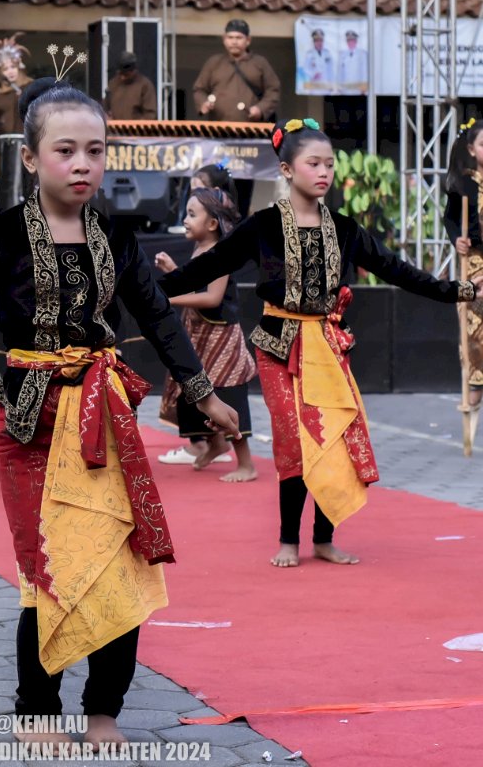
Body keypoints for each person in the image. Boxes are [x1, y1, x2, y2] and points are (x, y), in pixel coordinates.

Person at [0, 76, 239, 749]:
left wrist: (203, 392)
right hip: (30, 424)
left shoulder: (117, 238)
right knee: (50, 568)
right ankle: (37, 709)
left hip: (104, 417)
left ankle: (103, 710)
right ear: (31, 159)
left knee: (119, 563)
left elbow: (158, 318)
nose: (84, 164)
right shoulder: (4, 235)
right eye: (66, 150)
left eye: (96, 150)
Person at [160, 118, 482, 568]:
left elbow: (397, 270)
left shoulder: (346, 229)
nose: (324, 172)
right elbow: (211, 263)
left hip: (328, 346)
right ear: (288, 170)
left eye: (329, 163)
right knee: (293, 441)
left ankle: (324, 538)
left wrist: (459, 290)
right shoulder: (264, 226)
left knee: (331, 438)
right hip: (278, 346)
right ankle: (289, 540)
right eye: (314, 163)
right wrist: (155, 287)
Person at [154, 188, 258, 482]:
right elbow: (196, 285)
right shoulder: (201, 250)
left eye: (191, 214)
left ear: (212, 224)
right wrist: (175, 271)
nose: (185, 220)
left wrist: (170, 298)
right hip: (200, 335)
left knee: (226, 396)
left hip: (221, 339)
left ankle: (246, 464)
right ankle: (215, 444)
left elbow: (212, 298)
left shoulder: (220, 254)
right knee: (195, 390)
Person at [444, 119, 483, 412]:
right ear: (472, 149)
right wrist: (457, 238)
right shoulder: (464, 184)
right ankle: (475, 383)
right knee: (471, 324)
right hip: (474, 260)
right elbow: (451, 219)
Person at [193, 19, 280, 124]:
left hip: (252, 128)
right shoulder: (214, 63)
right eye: (230, 37)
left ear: (248, 40)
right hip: (219, 127)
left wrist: (260, 109)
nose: (234, 42)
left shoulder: (260, 63)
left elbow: (273, 90)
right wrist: (204, 103)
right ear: (224, 39)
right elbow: (199, 89)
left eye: (239, 38)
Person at [0, 36, 32, 135]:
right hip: (8, 141)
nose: (10, 72)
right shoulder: (1, 93)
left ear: (19, 67)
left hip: (28, 139)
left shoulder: (30, 87)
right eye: (5, 69)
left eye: (12, 67)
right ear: (1, 72)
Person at [104, 54, 157, 121]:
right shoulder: (113, 83)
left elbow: (150, 114)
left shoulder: (145, 85)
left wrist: (138, 126)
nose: (122, 78)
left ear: (134, 71)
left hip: (135, 130)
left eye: (126, 75)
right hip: (115, 129)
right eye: (120, 74)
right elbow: (105, 107)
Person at [297, 27, 336, 94]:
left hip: (326, 85)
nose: (319, 43)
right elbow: (305, 68)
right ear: (314, 42)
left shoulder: (327, 53)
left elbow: (331, 70)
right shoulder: (309, 54)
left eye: (321, 40)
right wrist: (313, 74)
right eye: (317, 41)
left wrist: (331, 84)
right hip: (315, 84)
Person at [338, 29, 368, 94]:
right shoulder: (342, 55)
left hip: (358, 89)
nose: (350, 42)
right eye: (348, 40)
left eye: (352, 40)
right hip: (345, 89)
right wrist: (340, 87)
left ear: (356, 41)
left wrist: (364, 87)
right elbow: (341, 72)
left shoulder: (362, 54)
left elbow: (364, 71)